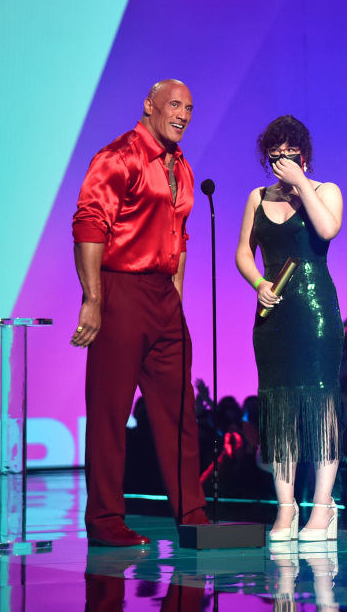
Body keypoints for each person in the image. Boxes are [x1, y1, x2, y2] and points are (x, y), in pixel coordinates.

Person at [71, 79, 208, 546]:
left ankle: (192, 514)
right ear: (149, 105)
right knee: (110, 411)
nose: (183, 114)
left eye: (189, 108)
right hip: (122, 289)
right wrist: (93, 299)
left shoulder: (182, 168)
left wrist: (176, 301)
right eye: (175, 105)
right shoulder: (119, 156)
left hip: (163, 296)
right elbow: (90, 224)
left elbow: (180, 238)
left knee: (180, 413)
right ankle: (106, 518)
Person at [235, 114, 344, 541]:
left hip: (316, 314)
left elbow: (327, 228)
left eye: (289, 154)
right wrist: (259, 283)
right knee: (279, 411)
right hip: (273, 319)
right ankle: (286, 507)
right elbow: (244, 253)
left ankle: (323, 506)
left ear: (303, 154)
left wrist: (301, 183)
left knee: (320, 408)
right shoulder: (256, 198)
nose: (281, 162)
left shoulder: (325, 191)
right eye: (274, 155)